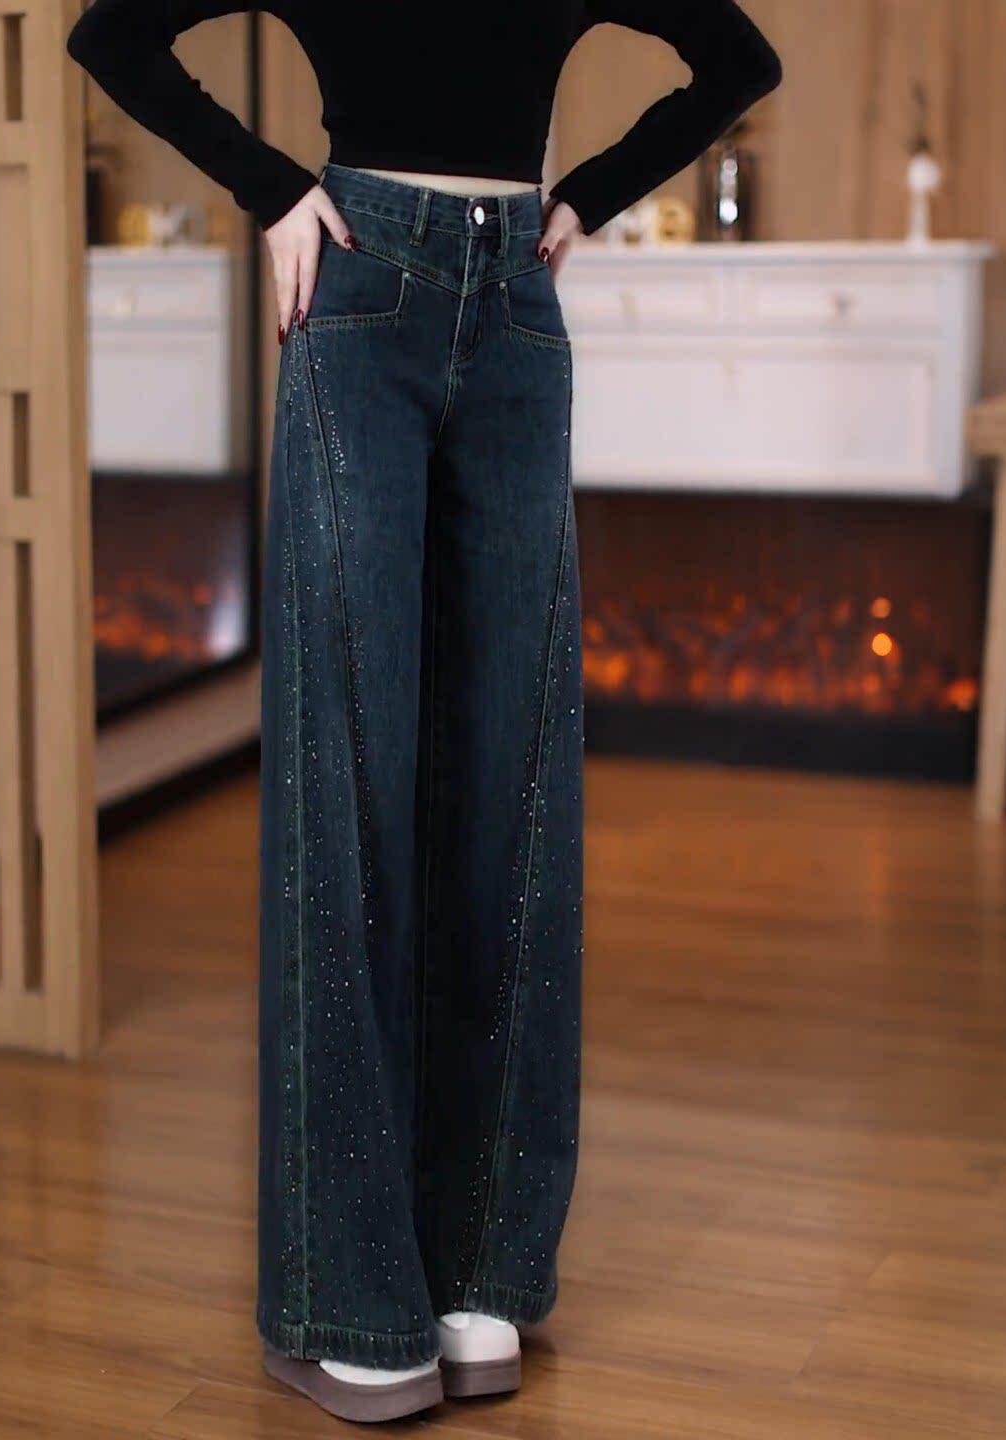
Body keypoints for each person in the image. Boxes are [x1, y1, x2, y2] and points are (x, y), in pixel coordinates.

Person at [67, 0, 780, 1422]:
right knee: (510, 784)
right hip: (509, 290)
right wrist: (576, 201)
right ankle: (478, 1291)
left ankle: (363, 1319)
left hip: (369, 281)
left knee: (352, 781)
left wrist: (278, 189)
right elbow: (739, 63)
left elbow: (112, 35)